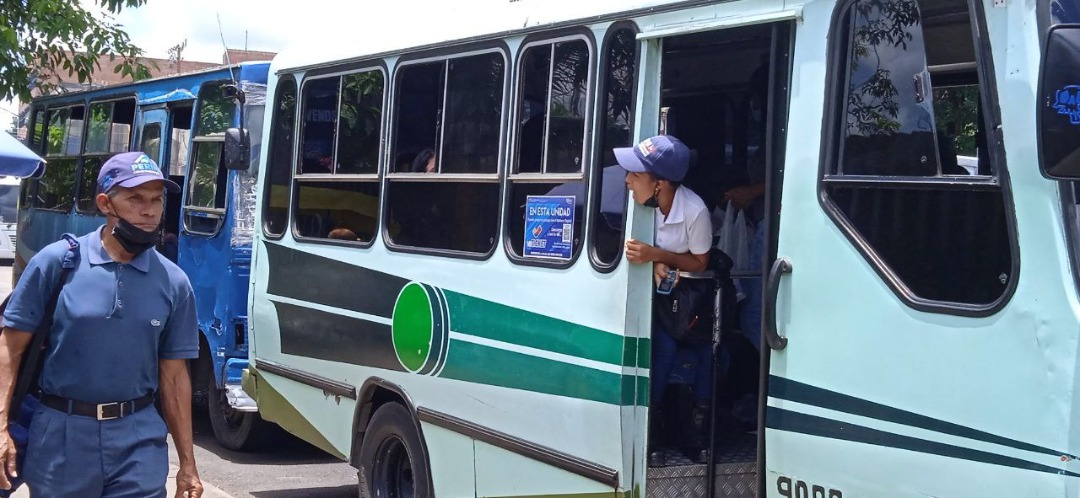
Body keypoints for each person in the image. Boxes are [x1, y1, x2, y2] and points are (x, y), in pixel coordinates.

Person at [0, 152, 203, 498]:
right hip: (62, 435)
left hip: (139, 436)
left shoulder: (174, 282)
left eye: (156, 199)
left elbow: (174, 377)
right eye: (136, 198)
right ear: (106, 204)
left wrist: (188, 463)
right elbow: (10, 347)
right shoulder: (56, 263)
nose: (149, 210)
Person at [618, 135, 714, 466]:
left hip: (683, 299)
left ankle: (694, 436)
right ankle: (650, 436)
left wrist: (659, 256)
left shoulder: (695, 210)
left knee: (705, 351)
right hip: (643, 298)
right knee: (662, 350)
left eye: (635, 174)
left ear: (659, 185)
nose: (628, 180)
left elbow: (701, 261)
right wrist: (654, 261)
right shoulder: (632, 203)